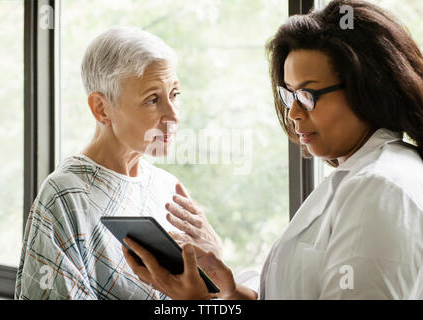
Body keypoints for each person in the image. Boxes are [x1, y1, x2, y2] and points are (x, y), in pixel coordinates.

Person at [123, 0, 423, 299]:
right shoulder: (362, 176)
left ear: (367, 88)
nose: (293, 113)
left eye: (307, 95)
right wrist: (231, 291)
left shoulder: (380, 189)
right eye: (288, 94)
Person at [14, 27, 216, 299]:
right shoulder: (65, 196)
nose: (173, 115)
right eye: (153, 99)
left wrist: (213, 264)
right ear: (101, 108)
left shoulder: (168, 189)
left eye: (175, 94)